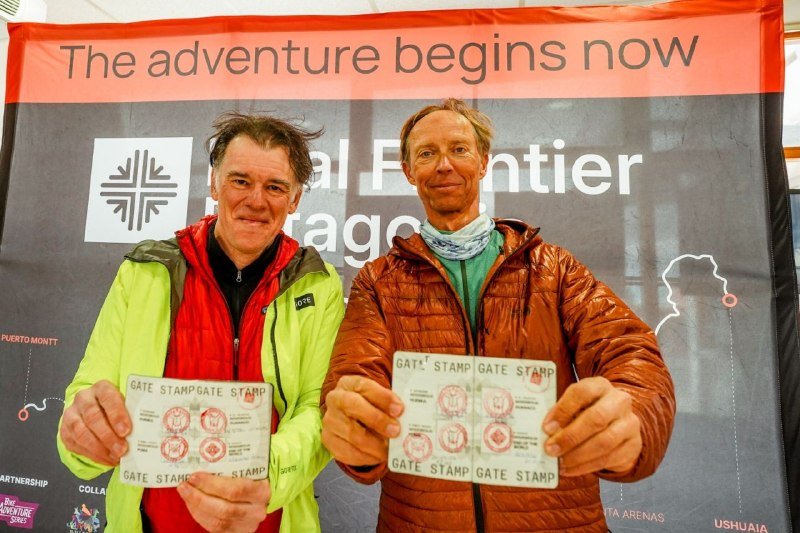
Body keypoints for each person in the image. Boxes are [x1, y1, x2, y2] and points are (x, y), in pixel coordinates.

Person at [320, 98, 675, 532]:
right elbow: (353, 376)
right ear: (409, 171)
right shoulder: (378, 281)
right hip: (419, 521)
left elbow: (629, 349)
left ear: (484, 161)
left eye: (459, 149)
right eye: (427, 153)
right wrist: (352, 425)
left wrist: (634, 413)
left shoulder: (553, 269)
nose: (444, 165)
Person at [57, 112, 344, 533]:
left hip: (266, 520)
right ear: (214, 183)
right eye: (240, 181)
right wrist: (84, 434)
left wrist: (266, 477)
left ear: (295, 199)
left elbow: (317, 407)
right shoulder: (147, 271)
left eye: (275, 187)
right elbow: (91, 389)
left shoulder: (318, 283)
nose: (256, 200)